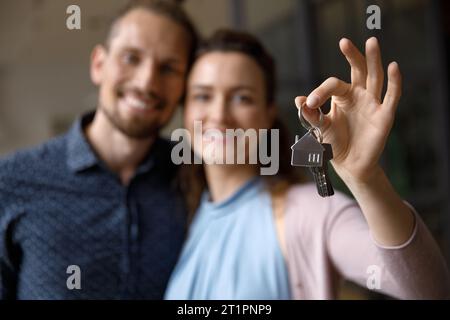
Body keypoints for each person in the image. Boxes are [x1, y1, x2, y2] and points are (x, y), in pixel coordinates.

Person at [164, 29, 450, 299]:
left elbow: (429, 290)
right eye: (202, 96)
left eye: (242, 97)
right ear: (185, 109)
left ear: (267, 114)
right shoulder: (185, 216)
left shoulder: (310, 213)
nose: (218, 115)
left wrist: (366, 178)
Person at [0, 0, 198, 299]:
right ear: (98, 65)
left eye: (169, 68)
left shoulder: (196, 175)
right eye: (132, 58)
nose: (147, 82)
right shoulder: (12, 180)